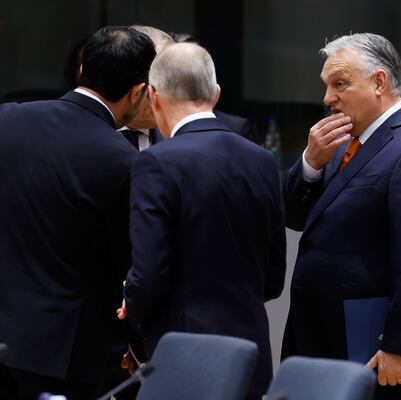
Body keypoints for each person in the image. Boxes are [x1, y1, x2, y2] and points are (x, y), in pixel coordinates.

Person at [0, 26, 156, 400]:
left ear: (83, 67)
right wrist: (140, 347)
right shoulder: (124, 161)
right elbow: (131, 267)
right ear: (137, 92)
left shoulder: (6, 118)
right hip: (67, 350)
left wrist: (10, 258)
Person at [281, 33, 401, 400]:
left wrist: (400, 346)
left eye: (340, 84)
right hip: (323, 338)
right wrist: (310, 163)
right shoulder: (340, 141)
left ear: (379, 82)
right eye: (327, 86)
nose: (328, 98)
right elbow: (295, 217)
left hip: (377, 350)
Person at [119, 42, 286, 399]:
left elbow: (148, 273)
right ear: (216, 94)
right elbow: (272, 280)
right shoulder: (262, 161)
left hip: (185, 356)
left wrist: (130, 306)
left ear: (153, 96)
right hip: (250, 352)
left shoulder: (156, 162)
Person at [117, 25, 174, 151]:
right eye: (155, 77)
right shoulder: (83, 134)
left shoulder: (182, 140)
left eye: (171, 78)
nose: (167, 91)